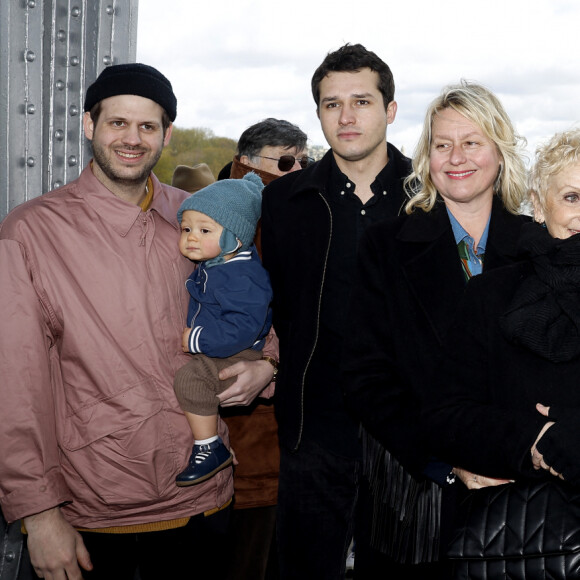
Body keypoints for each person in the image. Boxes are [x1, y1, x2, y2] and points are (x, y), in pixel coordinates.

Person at [0, 63, 274, 580]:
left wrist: (268, 365)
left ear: (166, 134)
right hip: (99, 511)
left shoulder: (195, 215)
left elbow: (250, 299)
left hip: (205, 498)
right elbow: (15, 386)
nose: (132, 138)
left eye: (148, 126)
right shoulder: (31, 233)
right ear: (89, 126)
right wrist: (38, 513)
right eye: (117, 123)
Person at [341, 81, 530, 578]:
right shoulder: (385, 246)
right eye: (442, 144)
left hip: (522, 495)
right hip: (414, 492)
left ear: (500, 151)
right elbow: (366, 375)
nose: (456, 157)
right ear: (426, 157)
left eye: (472, 142)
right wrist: (444, 463)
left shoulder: (539, 246)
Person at [261, 43, 413, 579]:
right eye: (331, 104)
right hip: (314, 428)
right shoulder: (285, 201)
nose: (346, 117)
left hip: (409, 435)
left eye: (362, 101)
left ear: (390, 109)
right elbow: (274, 301)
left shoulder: (431, 198)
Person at [421, 128, 580, 568]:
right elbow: (445, 415)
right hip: (526, 542)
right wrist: (536, 439)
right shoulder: (493, 294)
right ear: (537, 199)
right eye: (571, 197)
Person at [216, 117, 309, 580]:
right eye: (286, 161)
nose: (298, 171)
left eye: (304, 161)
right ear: (245, 163)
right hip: (247, 432)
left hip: (270, 434)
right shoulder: (241, 222)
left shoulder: (277, 211)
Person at [172, 173, 273, 486]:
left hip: (236, 349)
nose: (191, 237)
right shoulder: (219, 264)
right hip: (225, 344)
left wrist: (199, 339)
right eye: (186, 228)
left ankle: (209, 447)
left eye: (204, 230)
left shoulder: (241, 275)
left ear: (234, 237)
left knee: (191, 379)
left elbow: (243, 327)